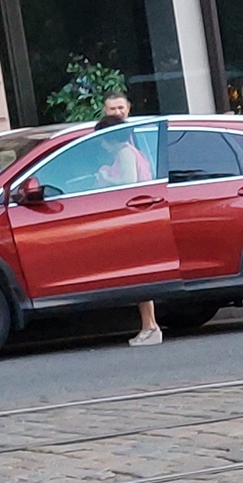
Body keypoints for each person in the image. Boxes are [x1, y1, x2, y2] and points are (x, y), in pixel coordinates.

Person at [92, 94, 163, 347]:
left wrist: (105, 178)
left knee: (139, 275)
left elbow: (129, 183)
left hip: (135, 216)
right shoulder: (127, 150)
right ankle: (149, 326)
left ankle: (150, 326)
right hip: (138, 215)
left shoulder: (124, 152)